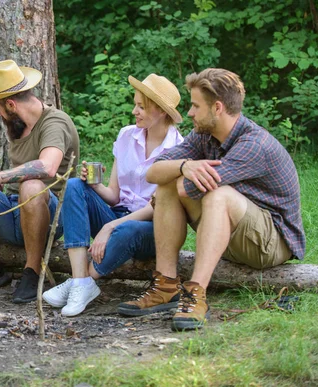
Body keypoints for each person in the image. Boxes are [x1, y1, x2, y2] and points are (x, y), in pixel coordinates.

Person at [122, 68, 306, 331]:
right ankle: (166, 286)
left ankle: (196, 294)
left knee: (216, 194)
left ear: (217, 108)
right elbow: (152, 172)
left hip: (271, 242)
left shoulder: (253, 145)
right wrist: (185, 165)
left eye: (196, 106)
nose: (189, 113)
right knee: (166, 187)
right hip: (234, 232)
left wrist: (180, 172)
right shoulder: (204, 135)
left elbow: (190, 190)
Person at [42, 74, 184, 317]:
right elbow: (114, 196)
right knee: (76, 185)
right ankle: (80, 281)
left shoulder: (178, 149)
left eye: (141, 106)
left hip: (152, 227)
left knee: (126, 230)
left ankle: (84, 280)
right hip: (117, 214)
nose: (134, 111)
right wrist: (94, 185)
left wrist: (110, 226)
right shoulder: (127, 135)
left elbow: (159, 207)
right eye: (135, 104)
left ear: (161, 111)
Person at [0, 59, 79, 303]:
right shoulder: (19, 127)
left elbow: (47, 166)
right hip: (15, 211)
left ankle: (32, 271)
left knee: (31, 186)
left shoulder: (54, 121)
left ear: (10, 104)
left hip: (52, 215)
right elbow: (5, 183)